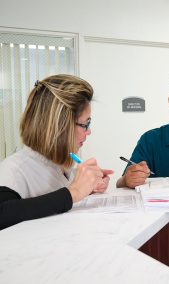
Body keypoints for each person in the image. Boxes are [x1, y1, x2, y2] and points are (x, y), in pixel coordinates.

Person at [0, 74, 113, 230]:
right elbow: (3, 214)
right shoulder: (13, 172)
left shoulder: (61, 165)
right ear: (60, 126)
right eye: (85, 124)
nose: (89, 132)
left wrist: (90, 187)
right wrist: (74, 192)